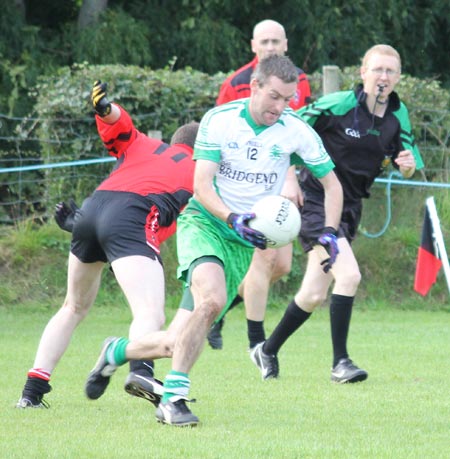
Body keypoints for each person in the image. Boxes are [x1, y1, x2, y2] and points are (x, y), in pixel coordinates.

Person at [85, 55, 343, 427]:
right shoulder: (219, 121)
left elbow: (332, 185)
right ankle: (173, 400)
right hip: (205, 223)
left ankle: (118, 350)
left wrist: (330, 231)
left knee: (180, 337)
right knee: (213, 299)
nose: (280, 107)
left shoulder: (295, 129)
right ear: (254, 86)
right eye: (274, 97)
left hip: (242, 243)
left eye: (288, 99)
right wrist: (232, 218)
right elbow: (201, 186)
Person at [16, 80, 199, 408]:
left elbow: (119, 123)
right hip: (131, 215)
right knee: (149, 312)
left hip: (93, 209)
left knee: (72, 307)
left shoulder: (144, 144)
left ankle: (32, 392)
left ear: (174, 141)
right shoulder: (201, 169)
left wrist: (105, 108)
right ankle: (142, 370)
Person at [250, 44, 424, 383]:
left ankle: (267, 350)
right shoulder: (339, 105)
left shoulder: (397, 116)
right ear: (363, 73)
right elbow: (288, 127)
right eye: (377, 70)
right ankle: (340, 363)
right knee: (349, 275)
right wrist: (289, 177)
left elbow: (409, 161)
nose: (383, 77)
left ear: (398, 77)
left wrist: (406, 167)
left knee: (313, 294)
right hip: (316, 200)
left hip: (350, 207)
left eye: (390, 71)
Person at [209, 18, 312, 351]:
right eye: (264, 42)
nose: (270, 47)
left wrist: (291, 176)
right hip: (245, 187)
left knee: (281, 266)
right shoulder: (236, 82)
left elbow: (298, 135)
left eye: (275, 42)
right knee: (264, 260)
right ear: (253, 45)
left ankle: (219, 309)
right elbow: (220, 135)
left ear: (285, 45)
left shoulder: (301, 82)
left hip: (281, 183)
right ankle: (259, 344)